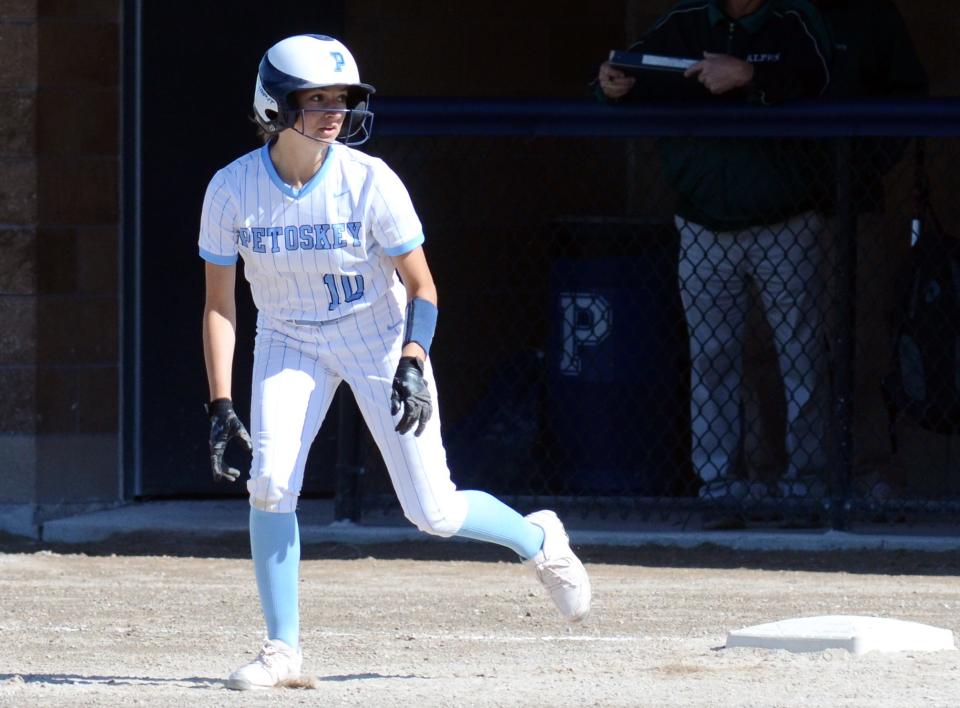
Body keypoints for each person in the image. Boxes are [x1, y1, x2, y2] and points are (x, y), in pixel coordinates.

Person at [199, 34, 591, 691]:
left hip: (378, 335)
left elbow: (423, 287)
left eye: (342, 99)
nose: (333, 112)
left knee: (431, 512)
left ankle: (539, 540)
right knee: (269, 483)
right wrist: (219, 403)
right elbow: (219, 304)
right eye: (315, 98)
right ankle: (281, 652)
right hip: (289, 336)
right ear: (274, 104)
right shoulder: (232, 188)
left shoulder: (369, 181)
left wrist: (413, 355)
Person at [596, 0, 834, 506]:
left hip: (786, 222)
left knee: (802, 361)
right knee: (711, 359)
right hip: (704, 224)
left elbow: (826, 80)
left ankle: (806, 487)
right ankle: (720, 488)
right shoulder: (682, 25)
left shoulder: (793, 21)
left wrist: (749, 75)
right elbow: (623, 73)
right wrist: (608, 84)